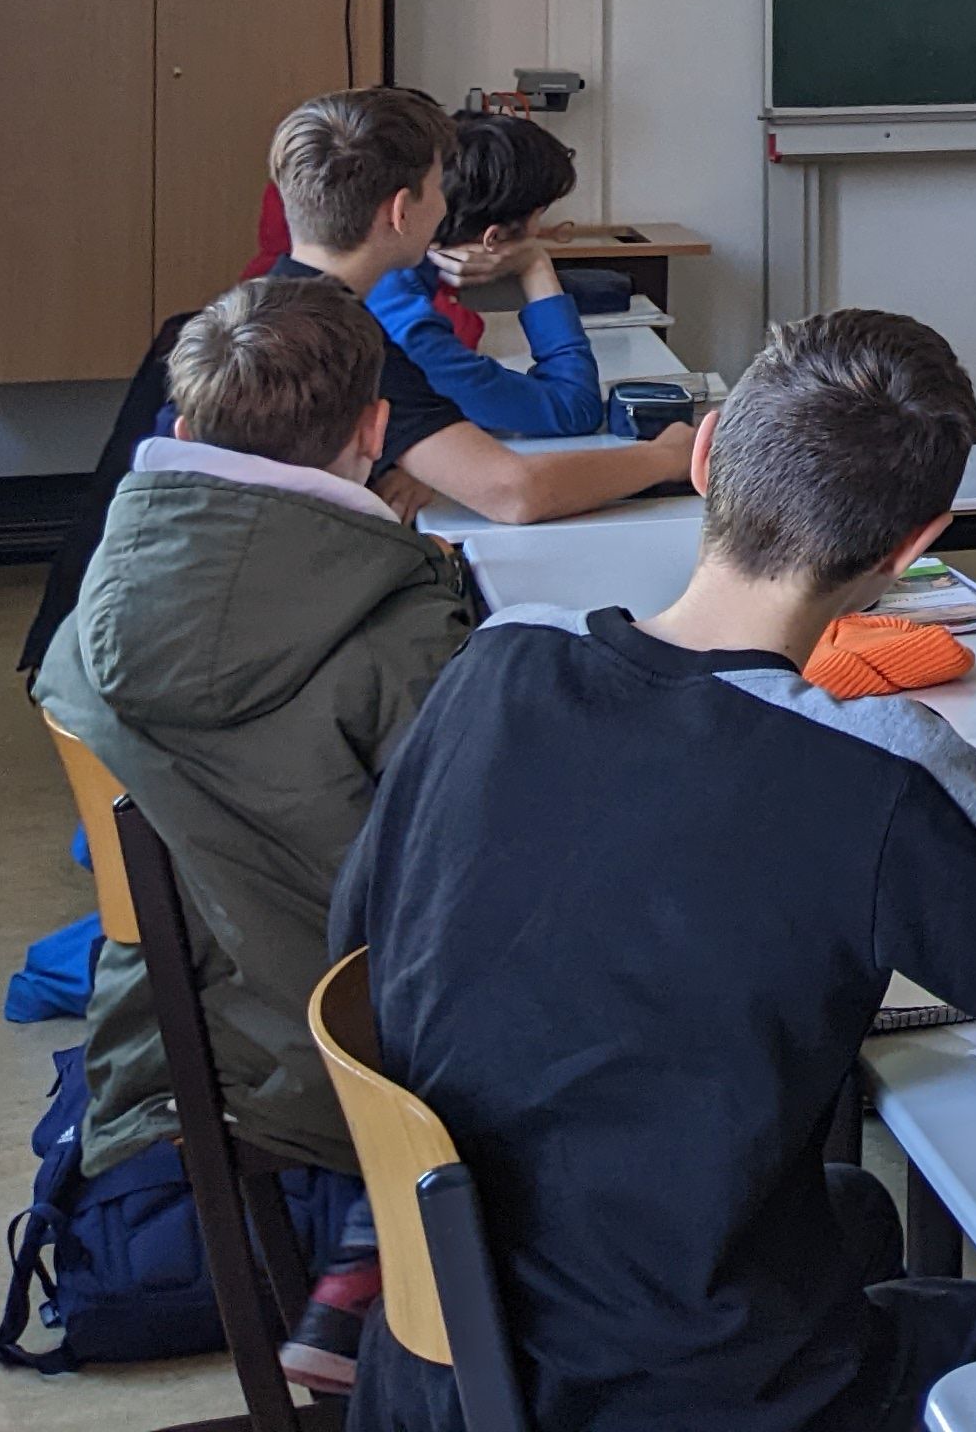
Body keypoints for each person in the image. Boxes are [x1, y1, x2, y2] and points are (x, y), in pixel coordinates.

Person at [330, 309, 976, 1432]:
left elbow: (357, 938)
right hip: (685, 1392)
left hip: (445, 1364)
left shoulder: (494, 665)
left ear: (708, 453)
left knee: (852, 1211)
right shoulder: (860, 783)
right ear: (912, 549)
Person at [34, 276, 480, 1393]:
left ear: (183, 430)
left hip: (168, 1020)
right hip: (346, 1048)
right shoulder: (407, 621)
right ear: (378, 433)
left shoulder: (93, 610)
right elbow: (469, 863)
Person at [265, 89, 699, 525]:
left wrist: (429, 464)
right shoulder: (353, 341)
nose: (445, 206)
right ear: (402, 211)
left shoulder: (263, 307)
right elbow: (514, 492)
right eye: (437, 189)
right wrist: (668, 456)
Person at [362, 108, 601, 445]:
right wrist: (535, 264)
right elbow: (576, 408)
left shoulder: (388, 284)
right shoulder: (412, 331)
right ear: (494, 237)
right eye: (540, 215)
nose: (539, 231)